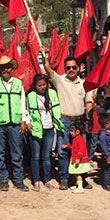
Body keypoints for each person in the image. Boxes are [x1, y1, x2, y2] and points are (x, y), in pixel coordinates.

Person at [42, 51, 91, 190]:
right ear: (65, 69)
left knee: (81, 152)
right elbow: (48, 69)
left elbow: (88, 101)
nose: (71, 70)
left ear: (78, 68)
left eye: (73, 67)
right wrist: (43, 54)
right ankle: (64, 179)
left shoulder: (84, 83)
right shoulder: (60, 80)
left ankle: (82, 179)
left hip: (80, 122)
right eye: (68, 67)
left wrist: (88, 113)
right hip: (64, 121)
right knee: (63, 151)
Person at [0, 56, 30, 192]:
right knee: (0, 154)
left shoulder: (18, 83)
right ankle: (3, 179)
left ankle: (18, 179)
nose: (6, 69)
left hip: (15, 124)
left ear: (12, 68)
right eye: (3, 67)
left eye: (8, 67)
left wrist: (24, 121)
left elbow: (23, 103)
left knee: (17, 154)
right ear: (0, 69)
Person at [27, 74, 63, 191]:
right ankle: (36, 180)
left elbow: (56, 110)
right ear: (35, 86)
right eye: (39, 85)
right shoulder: (31, 96)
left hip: (49, 129)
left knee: (47, 157)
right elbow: (26, 111)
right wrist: (28, 123)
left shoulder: (52, 94)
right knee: (35, 157)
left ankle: (47, 180)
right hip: (36, 129)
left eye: (44, 85)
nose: (42, 87)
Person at [63, 121, 90, 194]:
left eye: (71, 131)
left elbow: (81, 150)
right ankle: (78, 184)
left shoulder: (80, 139)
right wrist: (67, 146)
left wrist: (78, 158)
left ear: (77, 132)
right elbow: (73, 147)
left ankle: (80, 188)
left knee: (78, 174)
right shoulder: (75, 139)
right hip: (75, 159)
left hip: (79, 160)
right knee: (76, 173)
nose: (70, 132)